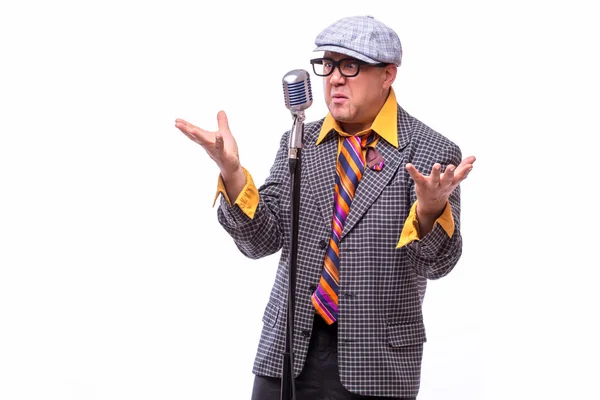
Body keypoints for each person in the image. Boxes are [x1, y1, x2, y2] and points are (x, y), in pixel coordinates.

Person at [175, 15, 475, 400]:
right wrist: (233, 174)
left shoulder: (431, 153)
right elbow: (262, 242)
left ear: (388, 75)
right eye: (328, 64)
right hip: (287, 352)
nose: (334, 78)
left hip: (377, 362)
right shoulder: (299, 142)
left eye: (350, 65)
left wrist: (430, 212)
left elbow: (437, 266)